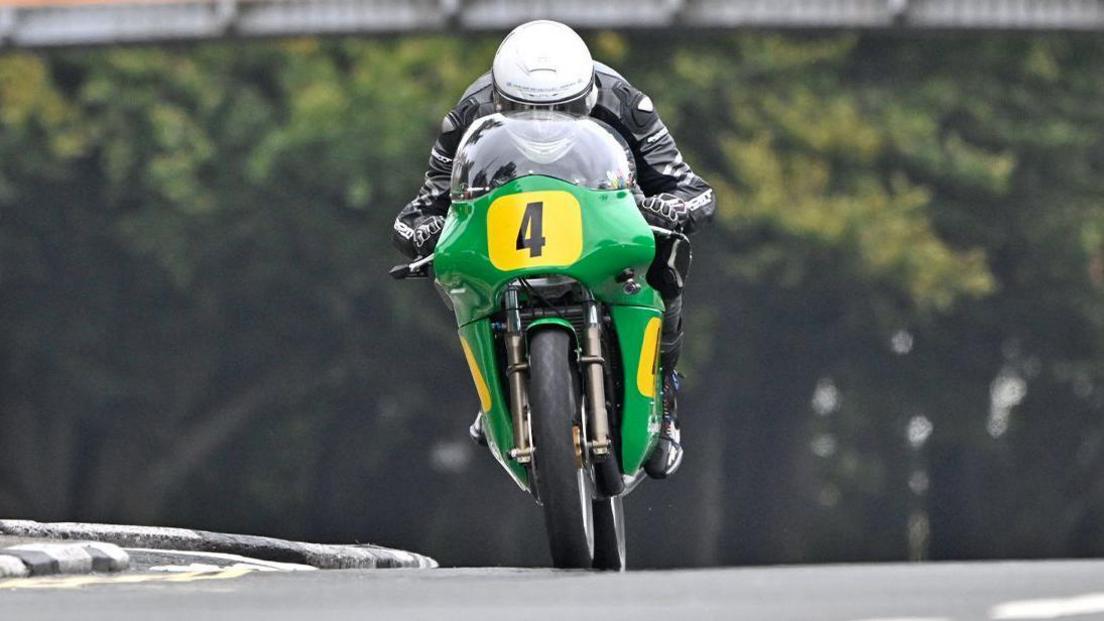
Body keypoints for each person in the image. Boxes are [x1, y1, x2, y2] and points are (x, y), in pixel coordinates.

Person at [392, 20, 715, 478]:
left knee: (667, 264)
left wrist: (673, 208)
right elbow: (428, 200)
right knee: (454, 276)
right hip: (509, 231)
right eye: (524, 109)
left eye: (561, 109)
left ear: (585, 94)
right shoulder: (468, 113)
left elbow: (689, 185)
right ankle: (495, 395)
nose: (543, 124)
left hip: (605, 221)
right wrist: (421, 230)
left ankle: (665, 407)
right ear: (500, 100)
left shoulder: (625, 102)